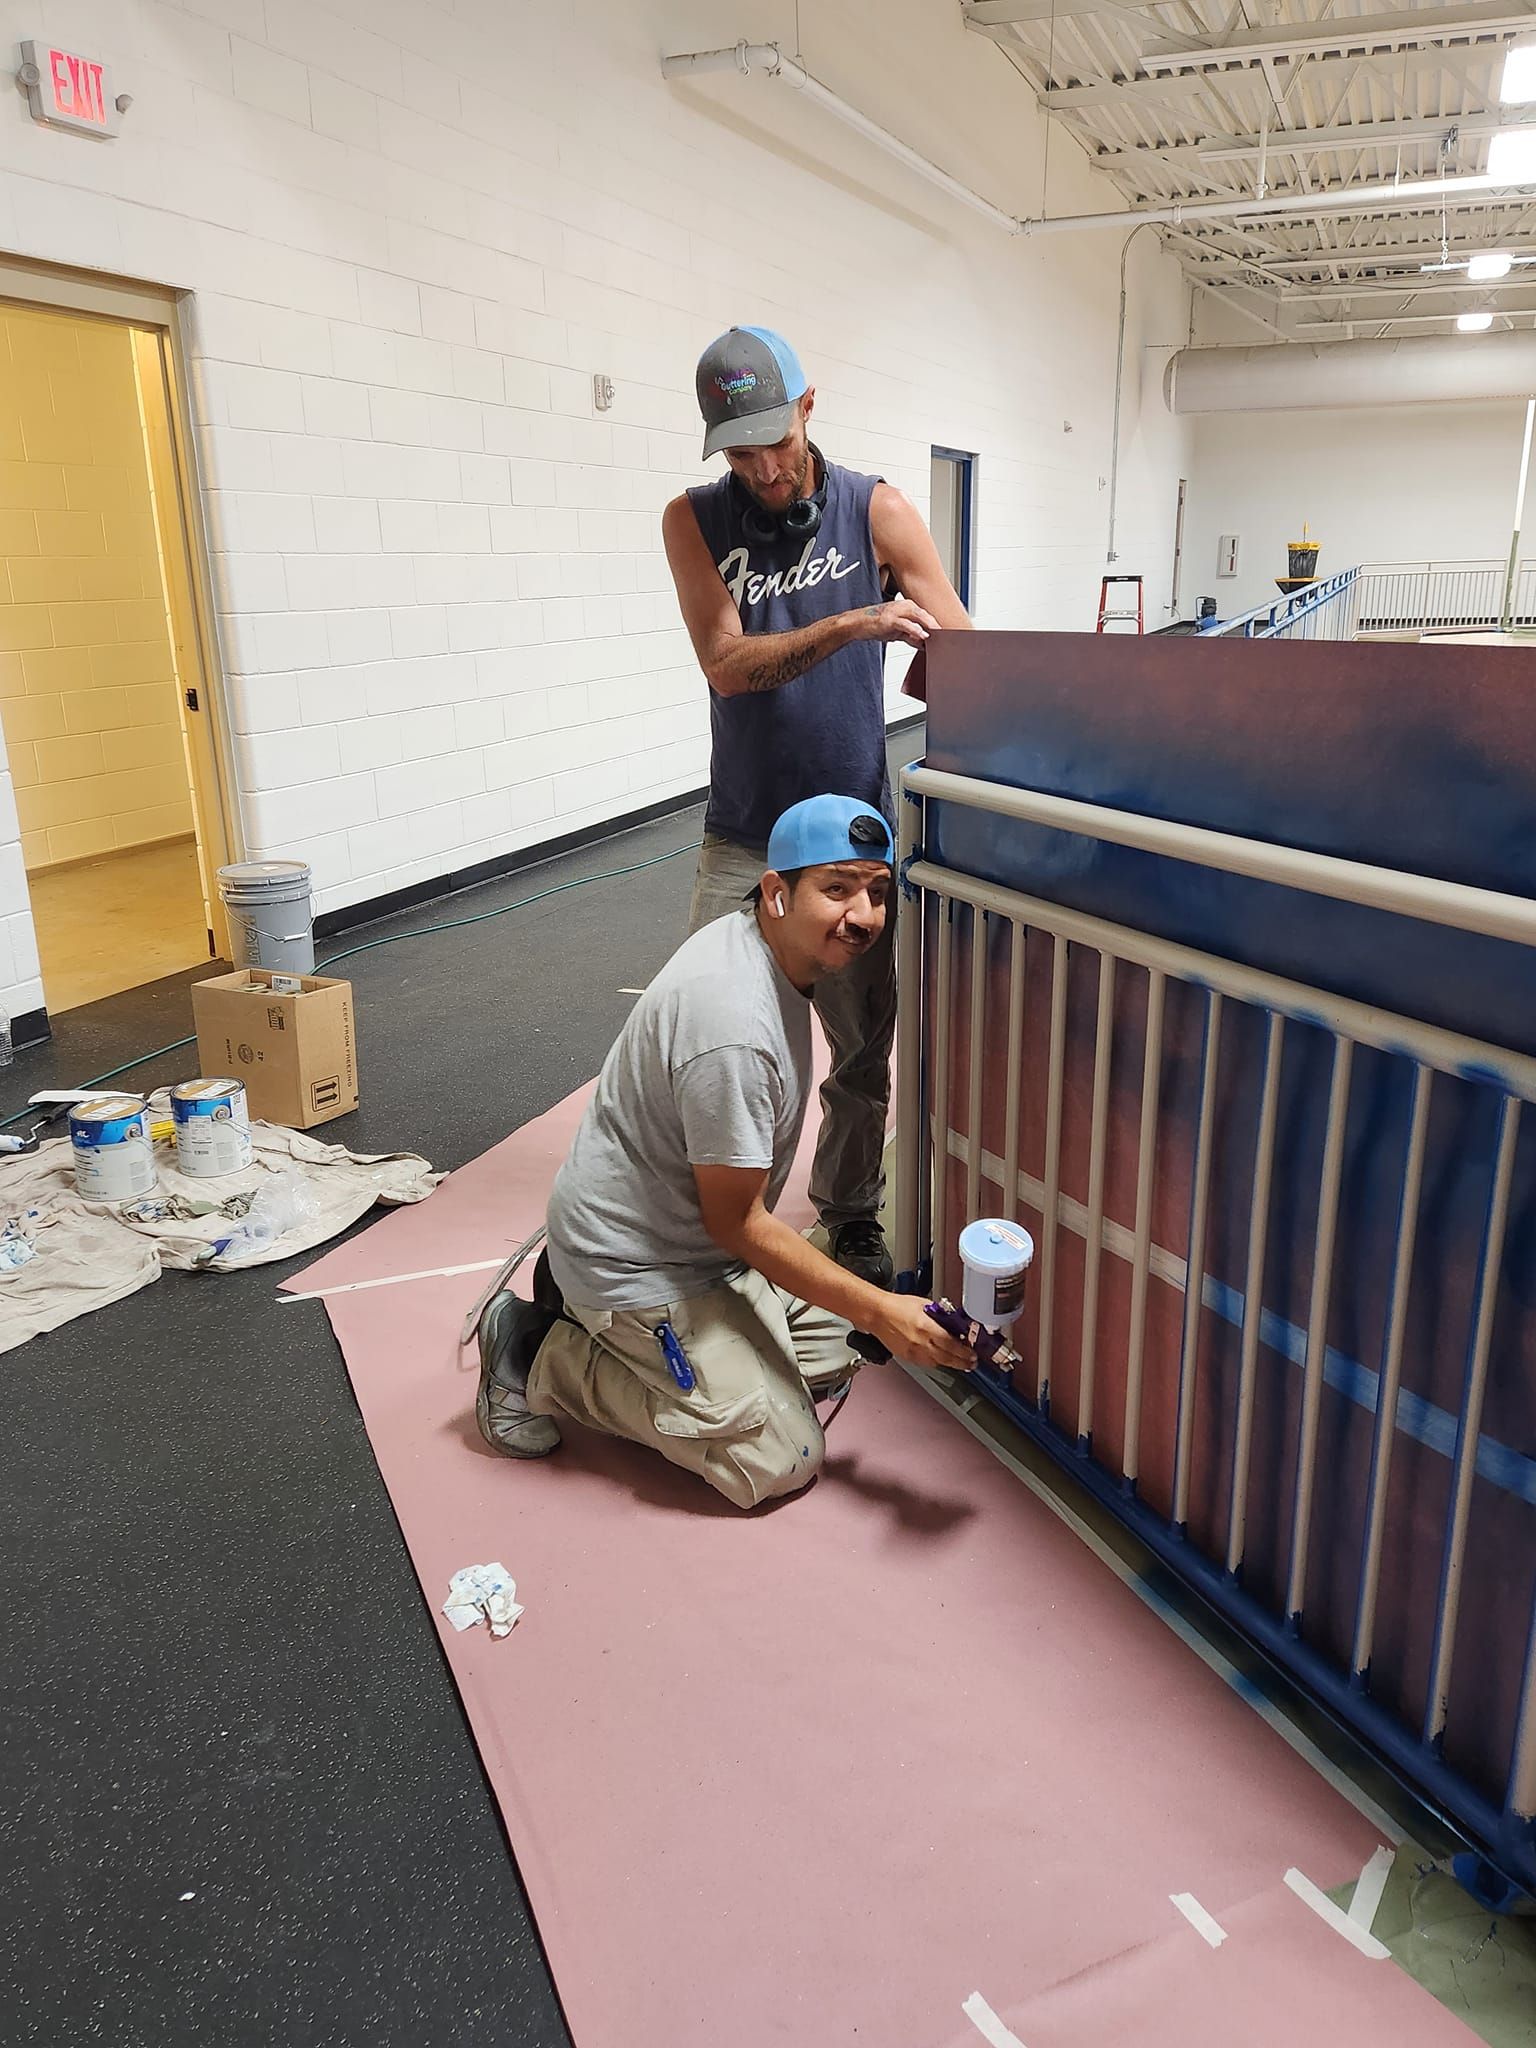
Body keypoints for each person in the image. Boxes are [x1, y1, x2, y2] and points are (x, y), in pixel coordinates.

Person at [475, 795, 976, 1510]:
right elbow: (736, 1223)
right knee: (779, 1457)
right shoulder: (734, 1027)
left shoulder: (763, 948)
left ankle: (627, 1323)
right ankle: (534, 1353)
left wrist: (871, 1313)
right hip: (641, 1266)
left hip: (699, 1250)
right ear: (776, 893)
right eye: (836, 888)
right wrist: (881, 1310)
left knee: (838, 1350)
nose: (862, 915)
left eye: (876, 891)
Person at [661, 326, 972, 1291]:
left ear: (808, 407)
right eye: (738, 449)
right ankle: (702, 1223)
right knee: (705, 1033)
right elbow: (726, 661)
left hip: (848, 835)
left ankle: (848, 1213)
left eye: (774, 441)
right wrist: (857, 620)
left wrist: (934, 652)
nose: (761, 466)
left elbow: (959, 644)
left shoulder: (876, 510)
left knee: (857, 1047)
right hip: (743, 836)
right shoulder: (693, 519)